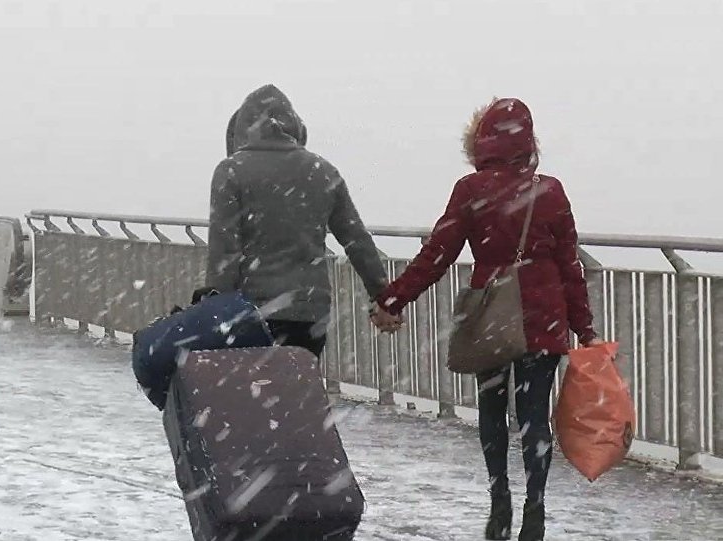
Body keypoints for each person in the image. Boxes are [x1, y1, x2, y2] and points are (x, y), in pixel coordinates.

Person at [371, 98, 601, 541]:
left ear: (482, 141)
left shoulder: (471, 190)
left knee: (493, 412)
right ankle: (536, 509)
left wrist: (394, 300)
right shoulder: (549, 191)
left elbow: (437, 254)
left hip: (492, 315)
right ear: (529, 142)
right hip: (544, 319)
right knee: (535, 416)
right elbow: (570, 265)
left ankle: (500, 504)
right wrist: (585, 329)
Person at [206, 84, 400, 359]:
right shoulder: (321, 171)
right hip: (309, 312)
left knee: (250, 395)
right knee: (298, 391)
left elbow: (223, 251)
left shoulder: (231, 171)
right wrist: (383, 295)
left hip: (249, 312)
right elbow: (356, 240)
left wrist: (214, 307)